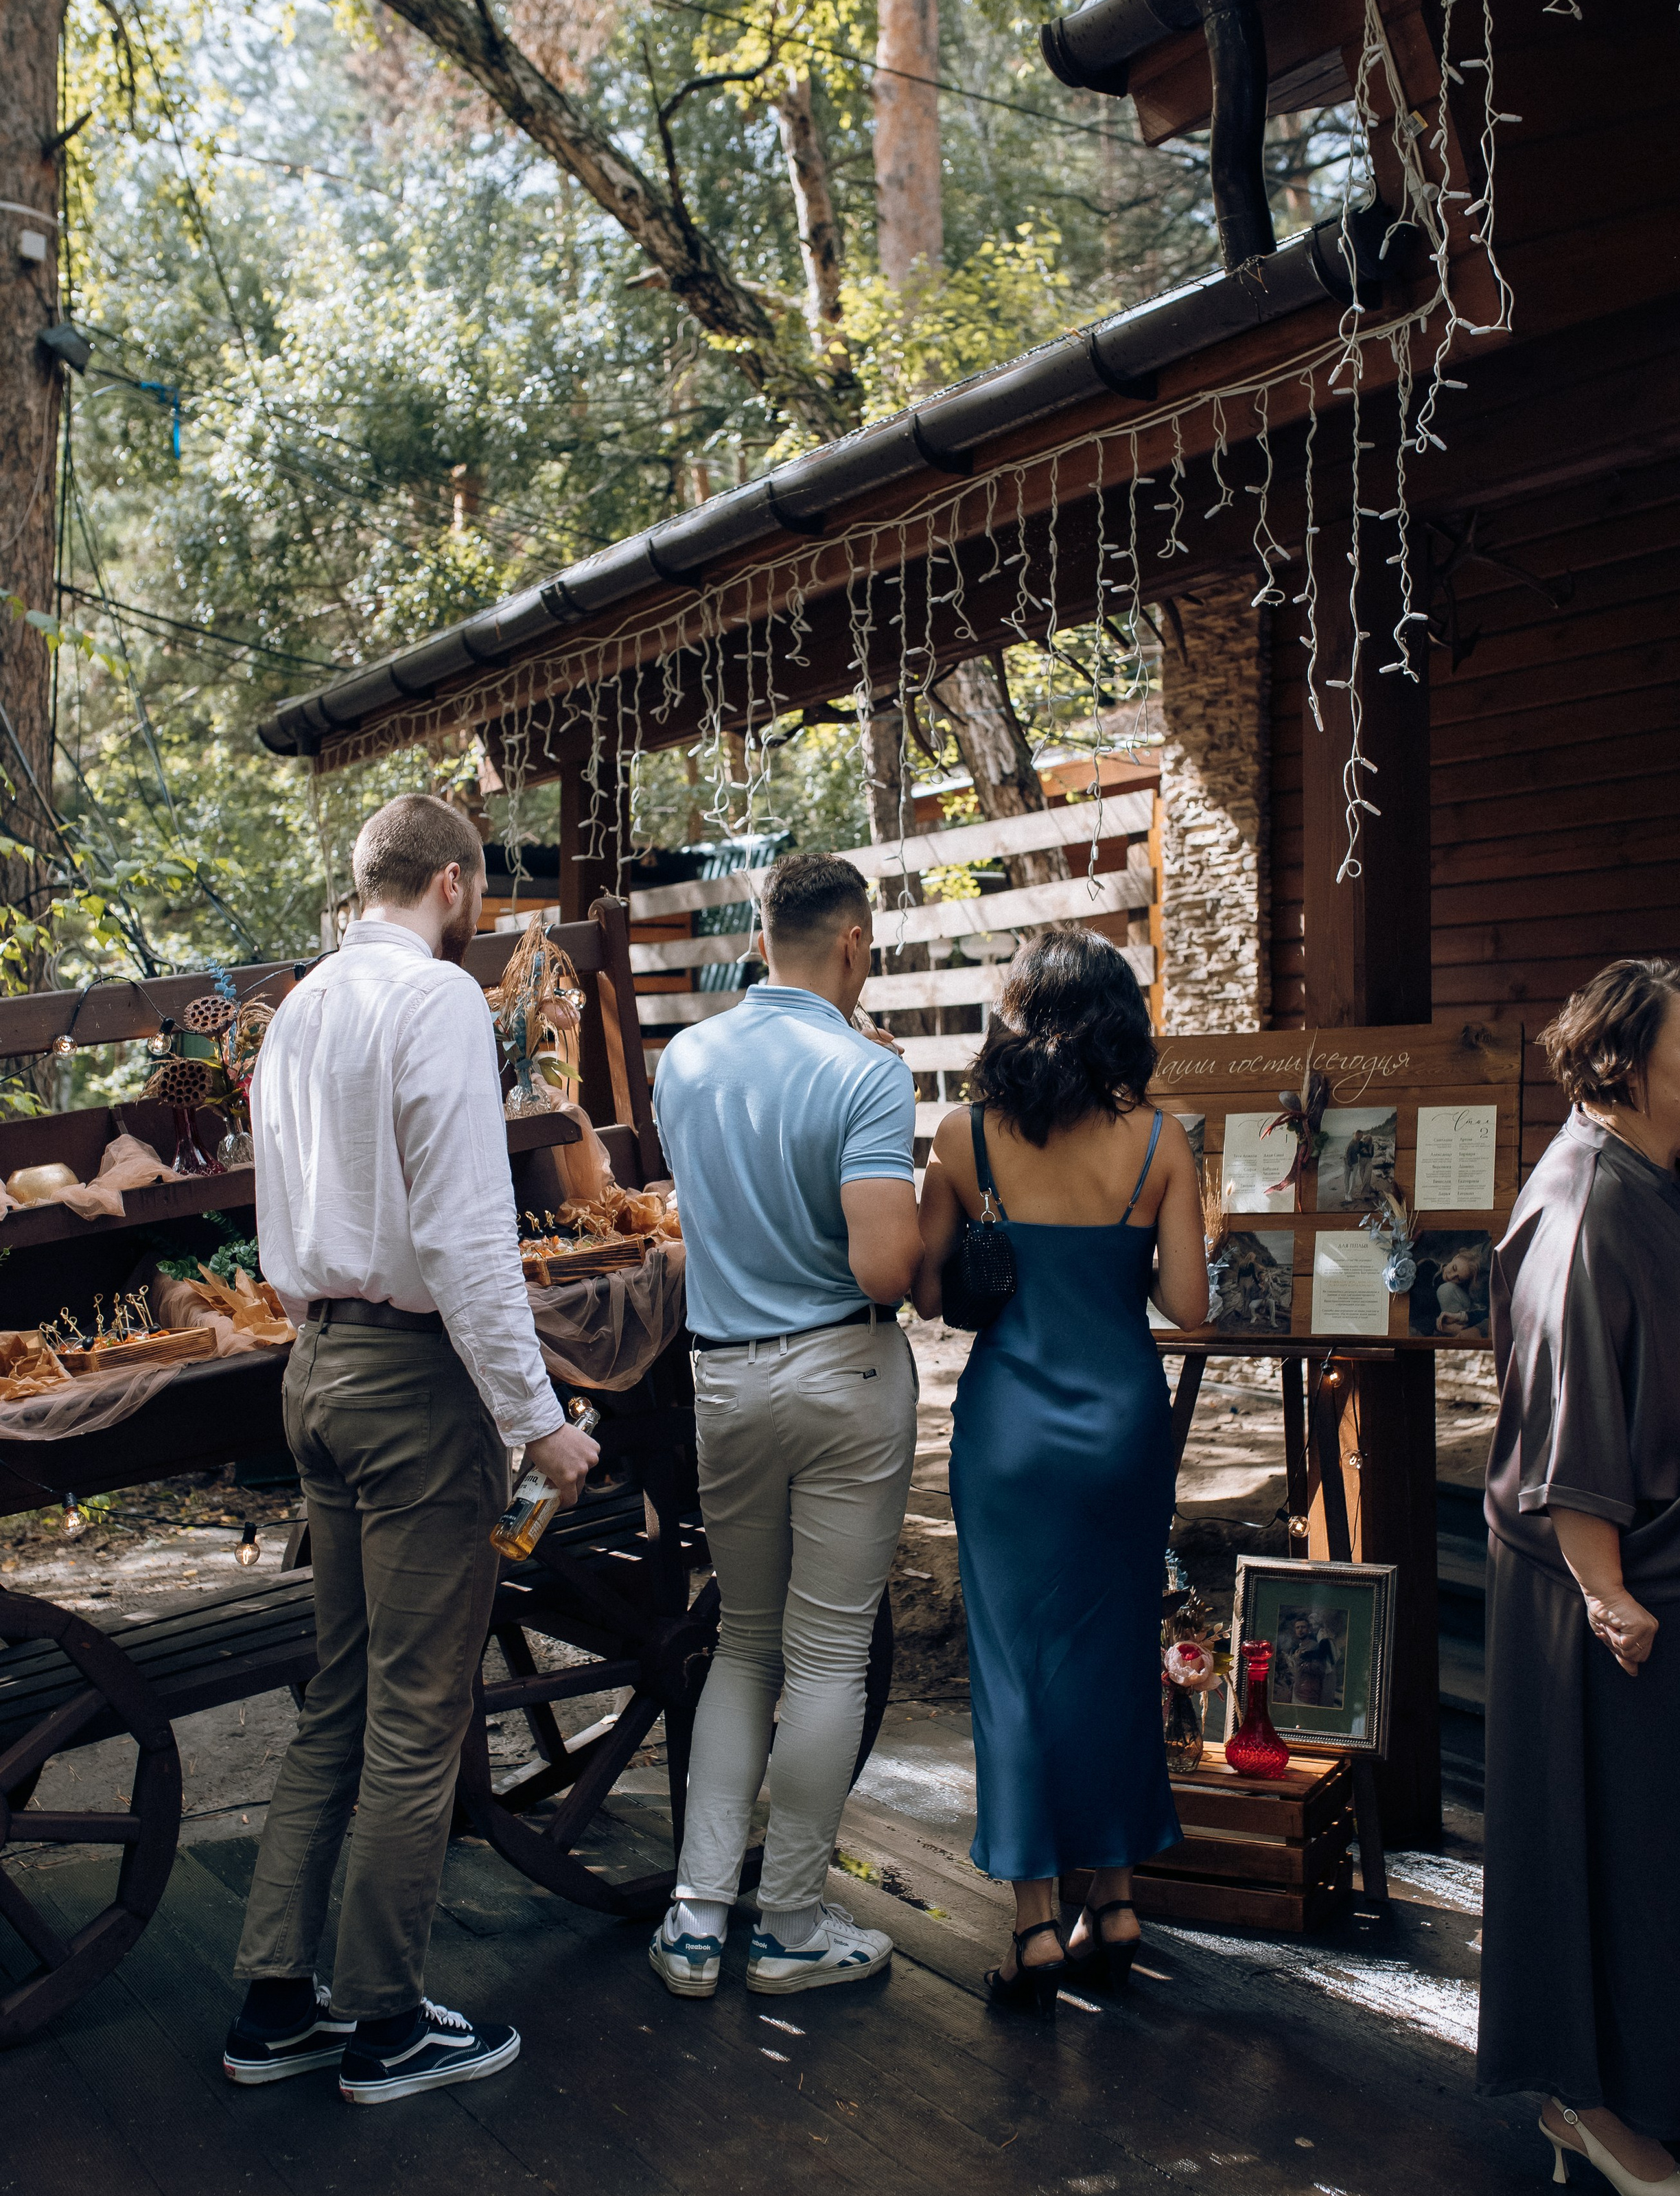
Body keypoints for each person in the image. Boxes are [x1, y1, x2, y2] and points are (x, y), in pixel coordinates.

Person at [224, 794, 600, 2105]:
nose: (482, 919)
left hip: (311, 1364)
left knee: (341, 1688)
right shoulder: (437, 999)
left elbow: (284, 1205)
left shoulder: (302, 1006)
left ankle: (275, 2000)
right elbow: (462, 1241)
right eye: (480, 897)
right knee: (416, 1709)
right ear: (452, 883)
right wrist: (538, 1424)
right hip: (408, 1380)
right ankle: (384, 2020)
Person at [1479, 956, 1680, 2196]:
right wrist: (1606, 1588)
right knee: (1609, 1850)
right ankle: (1585, 2104)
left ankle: (1673, 2078)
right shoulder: (1585, 1203)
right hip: (1619, 1583)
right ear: (1623, 1060)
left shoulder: (1668, 1185)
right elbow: (1567, 1406)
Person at [914, 926, 1208, 2010]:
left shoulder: (962, 1136)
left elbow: (935, 1297)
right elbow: (1189, 1305)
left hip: (1009, 1434)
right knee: (1117, 1656)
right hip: (1124, 1424)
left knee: (1015, 1669)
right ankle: (1119, 1903)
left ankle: (1037, 1924)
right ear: (1121, 1025)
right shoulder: (1164, 1141)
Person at [646, 852, 921, 2000]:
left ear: (765, 937)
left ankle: (697, 1920)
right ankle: (795, 1926)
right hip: (841, 1374)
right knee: (824, 1658)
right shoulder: (867, 1074)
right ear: (853, 941)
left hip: (723, 1381)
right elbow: (886, 1266)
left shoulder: (684, 1062)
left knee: (744, 1645)